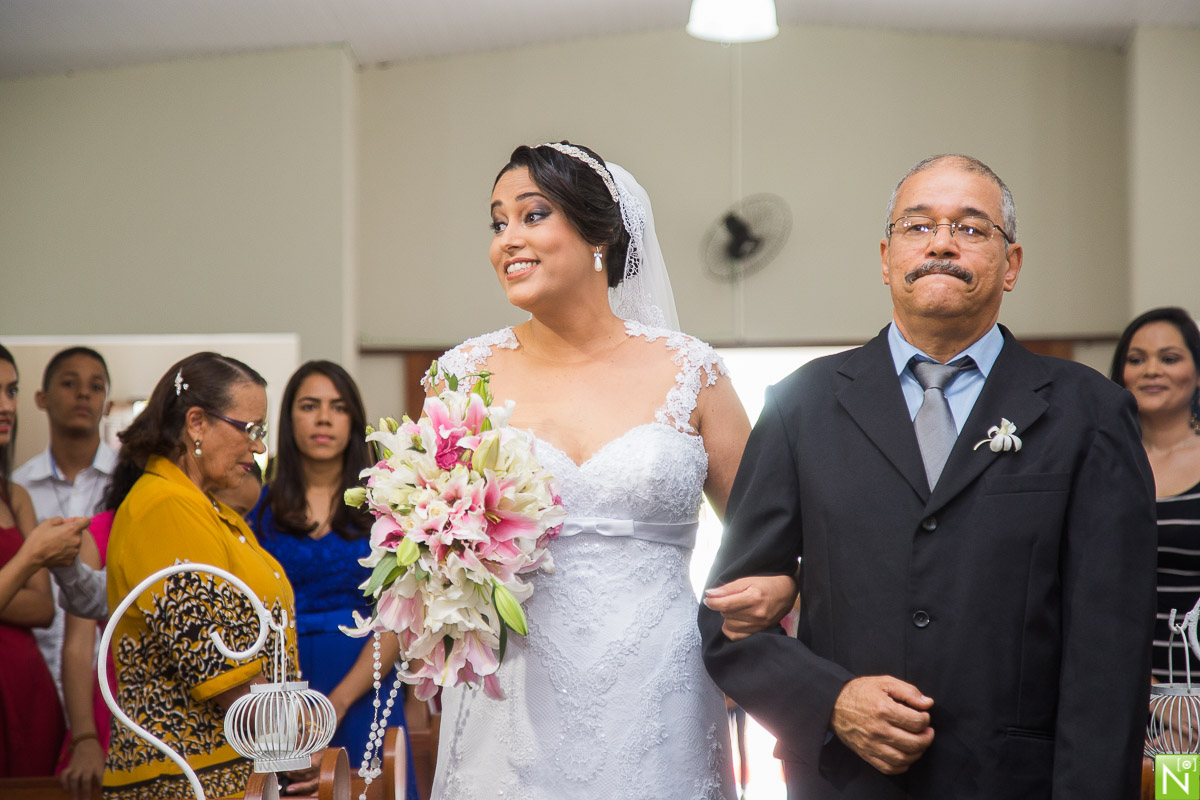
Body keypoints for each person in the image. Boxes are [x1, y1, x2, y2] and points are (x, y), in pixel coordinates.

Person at [699, 154, 1159, 799]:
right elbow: (728, 622)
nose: (941, 242)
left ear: (1013, 263)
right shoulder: (800, 405)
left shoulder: (1090, 413)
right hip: (848, 780)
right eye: (918, 226)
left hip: (1016, 781)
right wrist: (832, 701)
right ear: (886, 257)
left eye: (971, 228)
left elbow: (1111, 643)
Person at [425, 140, 784, 800]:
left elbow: (770, 540)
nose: (508, 239)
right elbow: (427, 537)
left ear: (600, 235)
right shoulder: (462, 375)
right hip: (513, 691)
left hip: (658, 687)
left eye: (532, 215)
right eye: (498, 221)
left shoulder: (691, 372)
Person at [102, 352, 300, 800]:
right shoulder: (165, 508)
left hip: (227, 772)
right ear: (196, 423)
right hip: (185, 777)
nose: (259, 447)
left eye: (261, 431)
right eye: (249, 429)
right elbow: (219, 665)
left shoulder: (204, 507)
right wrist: (299, 743)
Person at [249, 360, 421, 799]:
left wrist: (338, 702)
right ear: (288, 419)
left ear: (353, 421)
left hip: (367, 681)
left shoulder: (388, 505)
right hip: (281, 691)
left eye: (338, 407)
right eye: (310, 405)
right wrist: (287, 709)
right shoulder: (257, 510)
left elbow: (400, 615)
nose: (324, 418)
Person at [0, 343, 91, 778]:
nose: (6, 405)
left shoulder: (11, 494)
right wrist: (31, 555)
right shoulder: (22, 487)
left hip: (26, 687)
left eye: (12, 391)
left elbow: (41, 607)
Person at [13, 347, 116, 703]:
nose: (84, 393)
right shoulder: (17, 488)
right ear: (41, 398)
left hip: (111, 683)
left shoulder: (129, 485)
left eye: (96, 386)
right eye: (70, 383)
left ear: (106, 399)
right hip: (30, 677)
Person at [1110, 307, 1200, 682]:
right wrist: (1146, 698)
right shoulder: (1101, 463)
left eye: (1169, 358)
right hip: (1120, 683)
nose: (1151, 370)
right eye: (1136, 359)